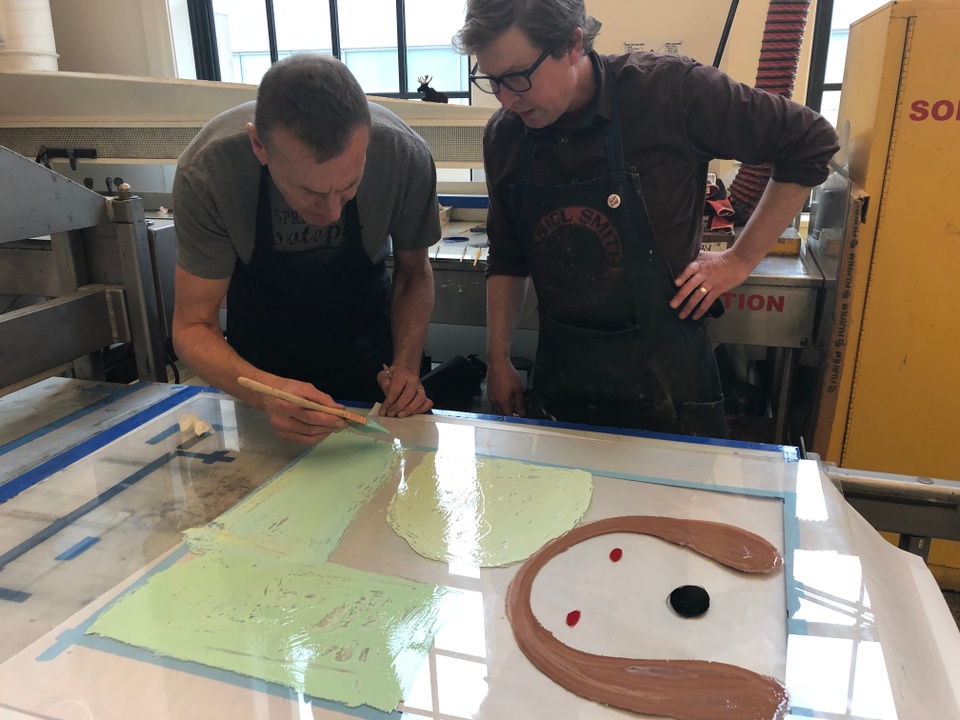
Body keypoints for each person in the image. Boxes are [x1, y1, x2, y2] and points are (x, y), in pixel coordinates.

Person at [454, 0, 839, 438]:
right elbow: (508, 257)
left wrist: (740, 259)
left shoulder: (670, 92)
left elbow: (810, 143)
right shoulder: (505, 135)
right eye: (492, 80)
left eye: (520, 77)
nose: (507, 98)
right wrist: (499, 357)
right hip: (564, 386)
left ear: (572, 44)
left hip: (670, 390)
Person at [172, 54, 438, 444]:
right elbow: (192, 326)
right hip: (258, 375)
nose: (331, 212)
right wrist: (265, 394)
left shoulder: (404, 157)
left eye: (348, 186)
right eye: (310, 191)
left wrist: (405, 369)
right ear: (260, 146)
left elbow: (415, 274)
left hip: (366, 361)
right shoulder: (210, 172)